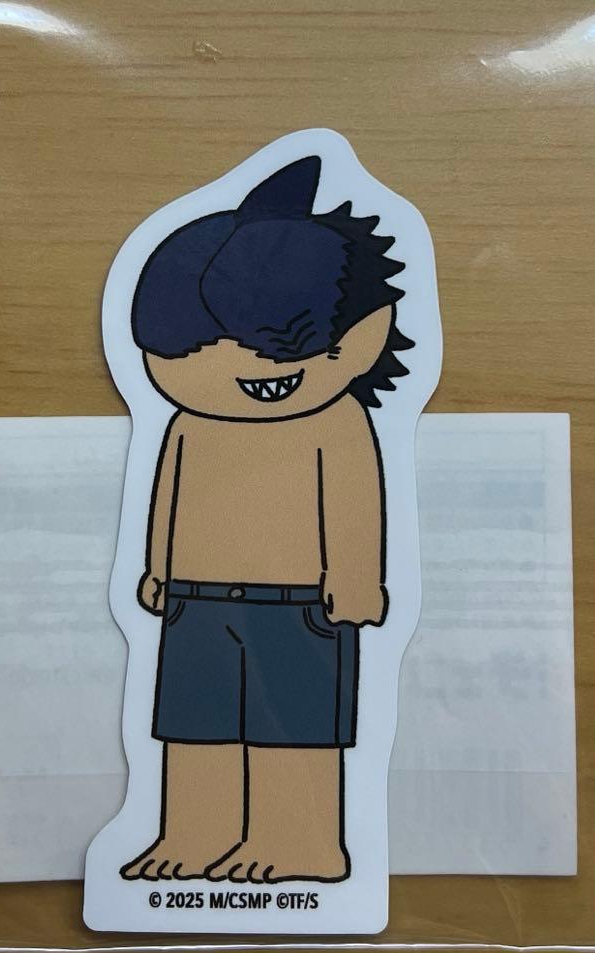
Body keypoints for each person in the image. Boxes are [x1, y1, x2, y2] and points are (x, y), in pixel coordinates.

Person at [119, 156, 413, 884]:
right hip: (196, 599)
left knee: (298, 726)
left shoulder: (336, 421)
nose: (252, 368)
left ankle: (302, 841)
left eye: (281, 347)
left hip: (300, 603)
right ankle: (196, 832)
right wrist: (157, 569)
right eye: (200, 351)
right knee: (195, 722)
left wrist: (355, 580)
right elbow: (168, 495)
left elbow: (353, 501)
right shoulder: (188, 424)